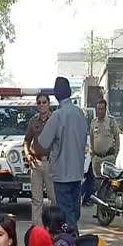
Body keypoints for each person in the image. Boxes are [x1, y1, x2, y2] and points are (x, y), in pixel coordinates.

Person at [37, 77, 88, 233]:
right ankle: (74, 243)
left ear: (56, 95)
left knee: (67, 216)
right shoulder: (80, 114)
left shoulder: (57, 115)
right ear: (70, 92)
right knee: (74, 211)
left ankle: (72, 245)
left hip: (62, 172)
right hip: (77, 172)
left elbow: (43, 142)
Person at [23, 93, 56, 225]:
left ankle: (54, 227)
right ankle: (37, 228)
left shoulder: (55, 120)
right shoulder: (33, 121)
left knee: (54, 198)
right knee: (36, 199)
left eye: (44, 102)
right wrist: (28, 154)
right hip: (35, 163)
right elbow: (26, 141)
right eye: (39, 103)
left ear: (48, 104)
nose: (42, 105)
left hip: (51, 164)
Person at [89, 99, 120, 188]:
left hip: (108, 158)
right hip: (97, 159)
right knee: (97, 185)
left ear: (105, 109)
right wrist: (93, 155)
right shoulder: (93, 122)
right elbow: (91, 139)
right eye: (98, 109)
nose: (100, 111)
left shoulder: (111, 121)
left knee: (108, 184)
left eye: (102, 109)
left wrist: (115, 154)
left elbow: (117, 138)